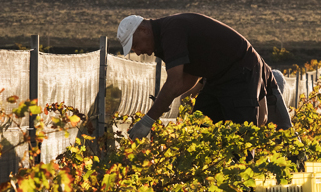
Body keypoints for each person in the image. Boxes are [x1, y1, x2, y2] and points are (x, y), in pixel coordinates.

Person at [117, 13, 290, 139]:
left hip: (240, 73)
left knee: (241, 139)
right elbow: (191, 76)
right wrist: (173, 99)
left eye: (135, 45)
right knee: (201, 129)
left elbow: (175, 80)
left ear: (143, 30)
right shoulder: (163, 40)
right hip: (217, 78)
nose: (137, 52)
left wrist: (148, 120)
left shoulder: (171, 32)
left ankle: (246, 187)